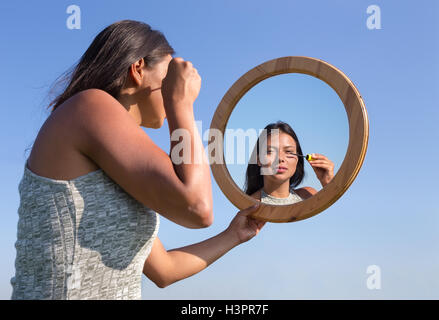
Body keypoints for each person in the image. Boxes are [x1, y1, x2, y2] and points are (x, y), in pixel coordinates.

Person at [10, 20, 264, 300]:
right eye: (168, 79)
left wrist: (234, 235)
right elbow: (197, 207)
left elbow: (164, 270)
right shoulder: (90, 106)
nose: (171, 89)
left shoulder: (118, 162)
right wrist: (180, 102)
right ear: (138, 68)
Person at [244, 121, 335, 205]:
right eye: (270, 151)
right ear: (259, 159)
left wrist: (328, 183)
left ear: (297, 159)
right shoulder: (250, 205)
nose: (280, 158)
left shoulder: (309, 195)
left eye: (289, 152)